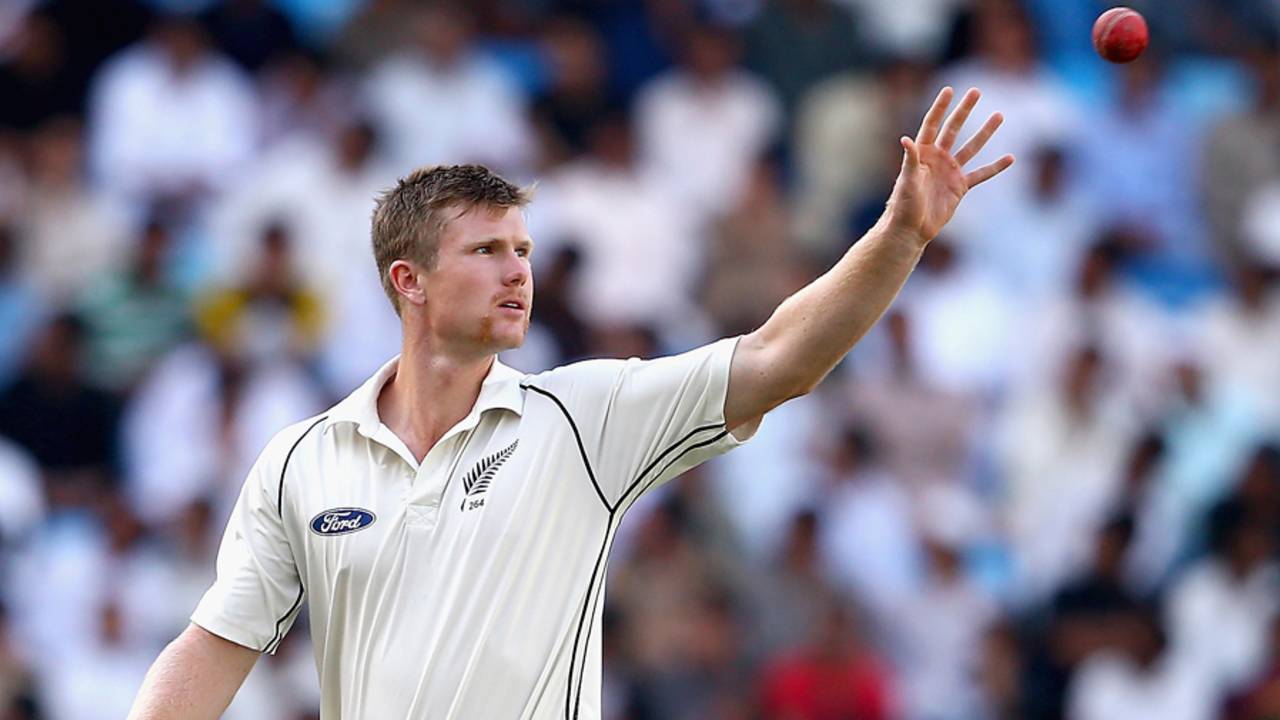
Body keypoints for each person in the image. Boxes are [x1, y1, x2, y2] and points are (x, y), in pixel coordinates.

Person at [126, 86, 1013, 719]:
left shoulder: (585, 417)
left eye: (523, 248)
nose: (519, 270)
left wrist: (900, 236)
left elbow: (781, 359)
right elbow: (213, 647)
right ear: (410, 282)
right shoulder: (301, 460)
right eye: (486, 251)